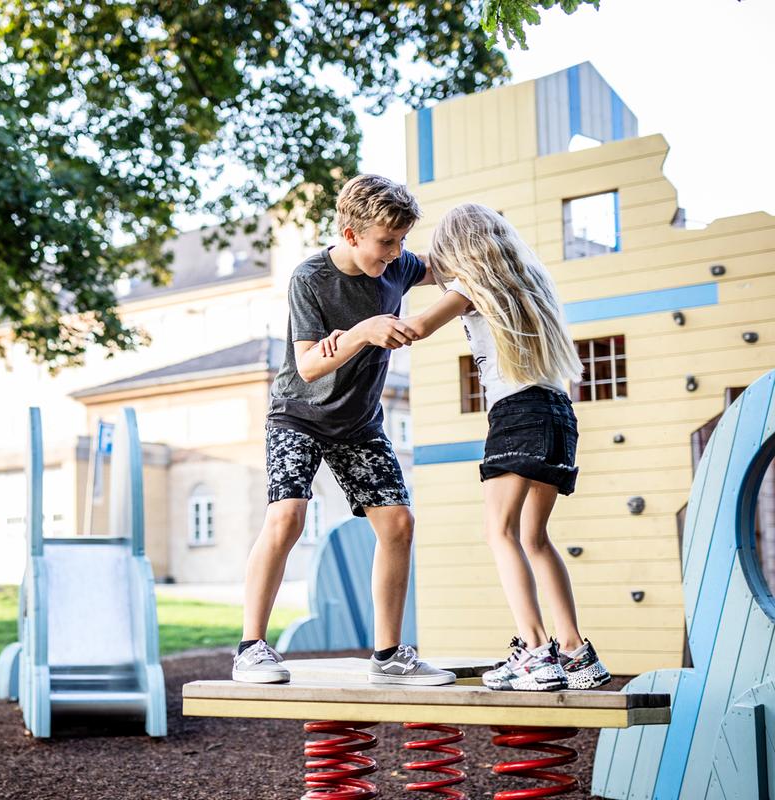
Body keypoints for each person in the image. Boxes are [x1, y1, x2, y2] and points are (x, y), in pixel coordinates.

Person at [326, 202, 611, 691]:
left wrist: (358, 332)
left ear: (460, 252)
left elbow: (413, 329)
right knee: (535, 538)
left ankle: (535, 652)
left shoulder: (470, 286)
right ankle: (575, 652)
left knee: (498, 532)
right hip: (558, 414)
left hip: (517, 413)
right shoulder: (530, 283)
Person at [231, 174, 455, 687]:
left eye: (401, 241)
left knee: (398, 524)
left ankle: (390, 655)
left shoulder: (397, 266)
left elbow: (445, 267)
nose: (397, 253)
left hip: (359, 422)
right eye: (386, 242)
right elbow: (308, 365)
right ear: (351, 234)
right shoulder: (310, 277)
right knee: (287, 516)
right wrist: (365, 330)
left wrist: (485, 253)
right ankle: (251, 648)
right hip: (299, 414)